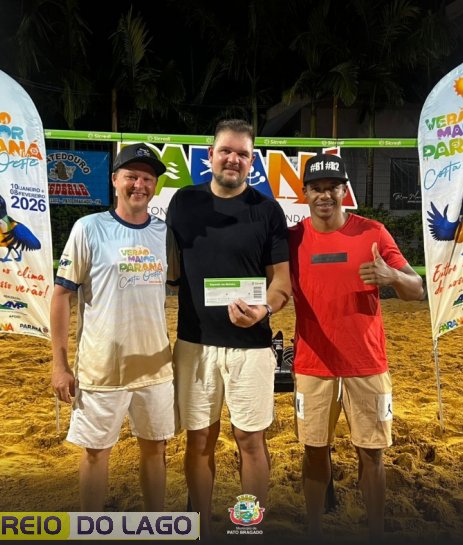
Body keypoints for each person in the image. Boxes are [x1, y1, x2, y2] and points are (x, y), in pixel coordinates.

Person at [289, 153, 424, 541]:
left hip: (366, 363)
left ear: (344, 191)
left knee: (372, 452)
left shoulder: (373, 233)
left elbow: (416, 290)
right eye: (317, 188)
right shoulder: (292, 238)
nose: (325, 195)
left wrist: (391, 275)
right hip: (313, 363)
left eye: (332, 187)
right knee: (314, 449)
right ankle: (314, 529)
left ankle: (375, 530)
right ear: (305, 193)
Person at [166, 119, 291, 537]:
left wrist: (263, 310)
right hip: (195, 343)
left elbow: (281, 283)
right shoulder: (183, 202)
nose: (233, 159)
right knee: (199, 439)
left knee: (250, 440)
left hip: (251, 346)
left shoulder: (267, 210)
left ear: (252, 161)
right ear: (210, 155)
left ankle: (249, 526)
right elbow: (169, 269)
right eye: (226, 151)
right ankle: (200, 527)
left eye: (242, 154)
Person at [51, 143, 175, 511]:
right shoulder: (89, 228)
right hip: (102, 367)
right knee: (95, 453)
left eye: (148, 179)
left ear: (155, 186)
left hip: (155, 367)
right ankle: (91, 528)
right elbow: (61, 296)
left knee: (156, 449)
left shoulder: (165, 233)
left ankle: (155, 526)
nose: (140, 185)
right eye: (132, 176)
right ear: (114, 180)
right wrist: (59, 364)